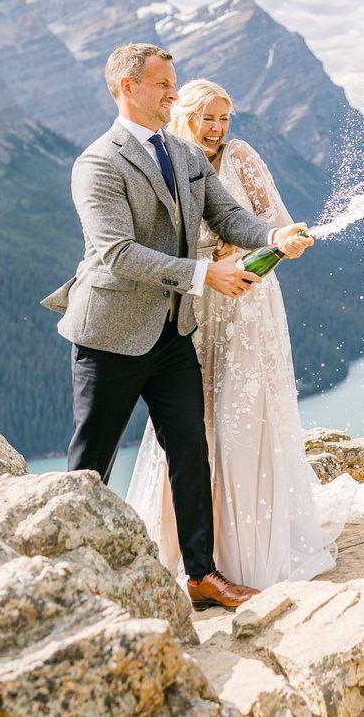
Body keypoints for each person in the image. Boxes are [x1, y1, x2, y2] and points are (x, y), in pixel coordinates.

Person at [41, 44, 313, 608]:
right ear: (127, 88)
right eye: (163, 84)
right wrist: (204, 275)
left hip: (173, 333)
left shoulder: (184, 155)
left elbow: (228, 216)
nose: (172, 92)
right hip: (111, 334)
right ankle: (62, 576)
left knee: (191, 450)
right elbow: (117, 252)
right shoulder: (97, 162)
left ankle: (201, 575)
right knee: (91, 460)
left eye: (173, 83)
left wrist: (273, 239)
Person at [127, 79, 364, 591]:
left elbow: (279, 227)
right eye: (207, 118)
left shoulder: (241, 157)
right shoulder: (170, 162)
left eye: (224, 119)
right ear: (185, 116)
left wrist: (264, 249)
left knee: (241, 418)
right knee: (189, 419)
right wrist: (205, 262)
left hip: (247, 306)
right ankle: (183, 548)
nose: (217, 129)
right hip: (194, 306)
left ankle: (247, 552)